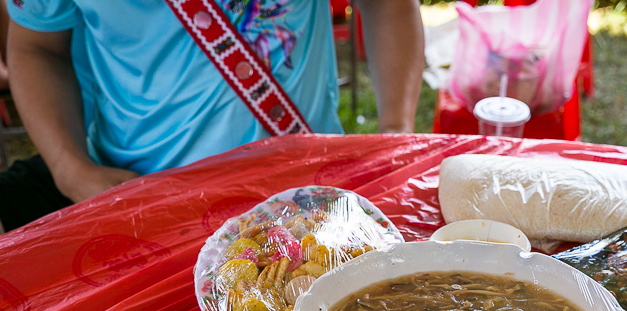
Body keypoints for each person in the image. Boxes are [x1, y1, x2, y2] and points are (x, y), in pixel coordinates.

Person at [0, 0, 424, 233]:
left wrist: (396, 130)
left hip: (310, 191)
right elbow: (37, 45)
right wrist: (68, 168)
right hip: (143, 201)